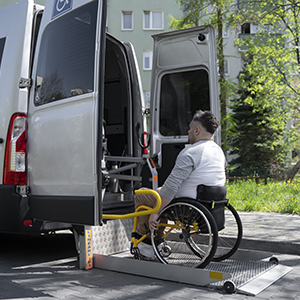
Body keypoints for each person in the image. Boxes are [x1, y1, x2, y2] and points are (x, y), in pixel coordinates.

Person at [133, 110, 226, 258]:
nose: (188, 131)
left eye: (190, 128)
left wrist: (155, 213)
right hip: (208, 204)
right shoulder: (218, 151)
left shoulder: (191, 152)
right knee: (158, 191)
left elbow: (171, 187)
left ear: (197, 130)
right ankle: (157, 238)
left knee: (142, 195)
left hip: (185, 207)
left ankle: (147, 244)